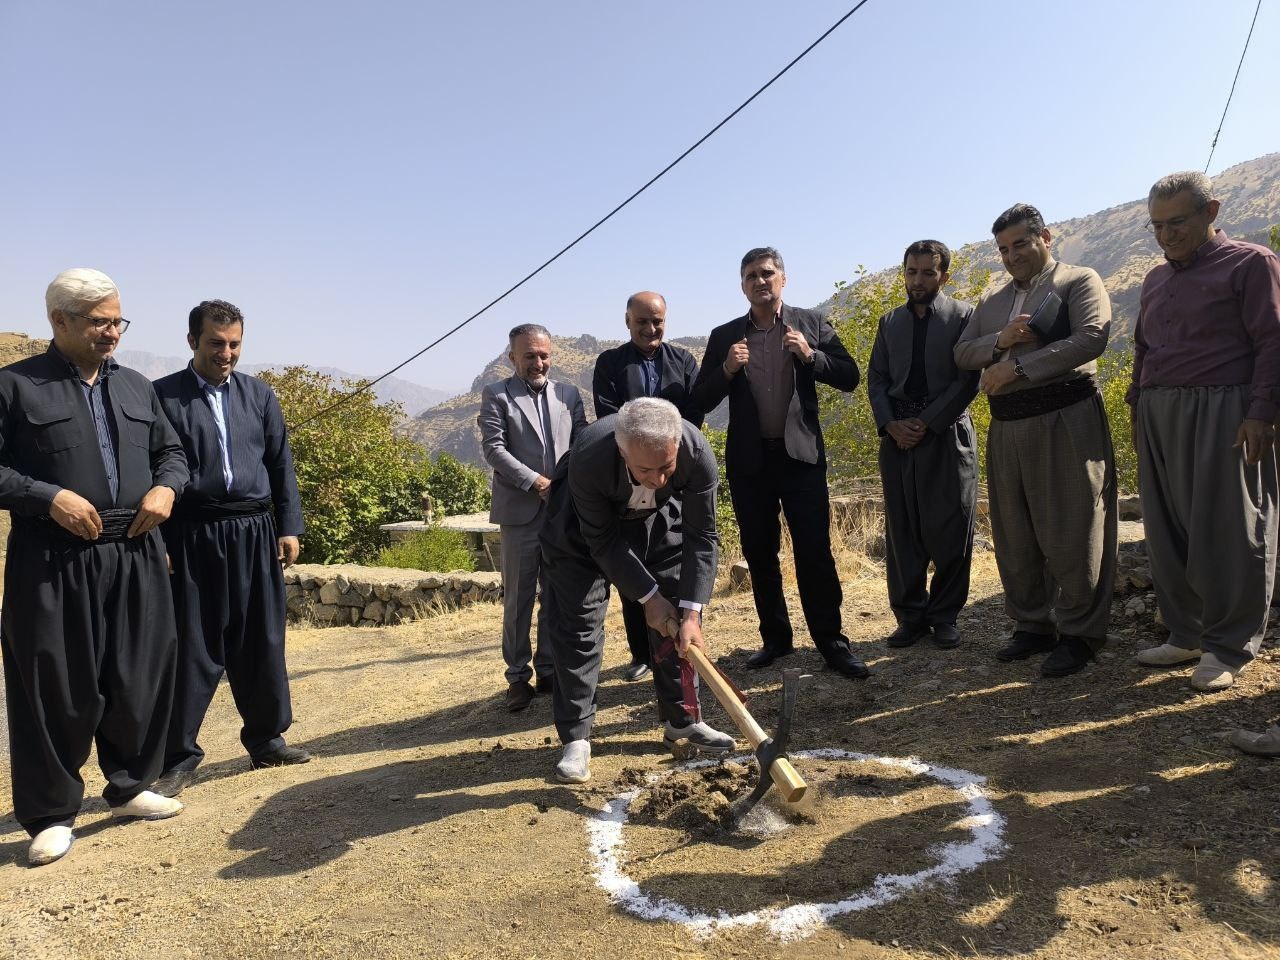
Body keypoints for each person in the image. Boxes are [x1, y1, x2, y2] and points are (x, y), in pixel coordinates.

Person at [0, 268, 189, 866]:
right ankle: (52, 813)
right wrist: (46, 496)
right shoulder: (15, 387)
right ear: (59, 322)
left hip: (133, 550)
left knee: (139, 670)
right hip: (52, 558)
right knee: (54, 682)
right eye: (99, 322)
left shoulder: (137, 385)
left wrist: (166, 489)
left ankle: (131, 783)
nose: (113, 332)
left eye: (118, 320)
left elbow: (172, 452)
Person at [150, 299, 310, 798]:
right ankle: (179, 756)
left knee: (260, 638)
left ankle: (266, 739)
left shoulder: (259, 395)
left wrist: (289, 526)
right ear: (193, 340)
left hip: (254, 531)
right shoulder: (161, 397)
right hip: (192, 533)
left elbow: (280, 464)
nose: (226, 353)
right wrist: (160, 542)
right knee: (192, 644)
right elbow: (150, 474)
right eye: (216, 343)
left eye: (235, 344)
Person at [1127, 171, 1280, 691]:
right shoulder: (1153, 280)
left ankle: (1229, 646)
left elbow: (1272, 342)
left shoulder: (1252, 263)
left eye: (1178, 222)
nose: (1167, 235)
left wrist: (1261, 412)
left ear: (1211, 211)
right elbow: (1142, 349)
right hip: (1158, 411)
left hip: (1226, 409)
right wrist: (1136, 406)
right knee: (1167, 528)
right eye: (1157, 226)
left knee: (1232, 530)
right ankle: (1186, 632)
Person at [954, 204, 1117, 677]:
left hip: (1066, 418)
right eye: (1003, 249)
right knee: (1015, 533)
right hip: (1008, 427)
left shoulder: (1079, 280)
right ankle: (1031, 626)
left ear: (1044, 236)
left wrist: (1017, 367)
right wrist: (1000, 343)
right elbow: (963, 352)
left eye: (1020, 244)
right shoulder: (992, 301)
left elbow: (1092, 338)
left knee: (1074, 525)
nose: (1011, 257)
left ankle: (1081, 634)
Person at [690, 247, 867, 678]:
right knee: (759, 553)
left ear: (783, 279)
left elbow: (849, 376)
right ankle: (776, 639)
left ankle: (832, 643)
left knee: (814, 553)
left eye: (767, 273)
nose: (759, 280)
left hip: (802, 458)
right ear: (742, 285)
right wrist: (728, 369)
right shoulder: (724, 336)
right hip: (751, 462)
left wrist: (811, 355)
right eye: (750, 275)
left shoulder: (811, 323)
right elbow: (698, 400)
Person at [539, 397, 733, 783]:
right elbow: (602, 542)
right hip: (580, 535)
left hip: (656, 521)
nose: (659, 479)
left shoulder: (696, 452)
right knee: (578, 626)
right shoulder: (591, 454)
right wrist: (648, 597)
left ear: (678, 445)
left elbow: (702, 536)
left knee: (678, 616)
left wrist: (691, 611)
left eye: (667, 467)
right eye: (646, 469)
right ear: (621, 449)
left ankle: (684, 721)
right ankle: (576, 739)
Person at [868, 240, 979, 649]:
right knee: (903, 531)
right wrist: (892, 425)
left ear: (943, 276)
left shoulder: (964, 317)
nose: (918, 280)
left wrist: (928, 422)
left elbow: (968, 379)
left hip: (947, 434)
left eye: (928, 273)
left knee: (951, 527)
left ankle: (945, 615)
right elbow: (877, 379)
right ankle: (910, 616)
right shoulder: (889, 322)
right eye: (912, 272)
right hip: (897, 438)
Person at [592, 290, 702, 682]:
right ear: (627, 322)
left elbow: (693, 414)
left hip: (670, 477)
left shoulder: (684, 361)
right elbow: (609, 417)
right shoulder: (609, 364)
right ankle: (641, 653)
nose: (650, 328)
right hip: (629, 477)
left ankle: (671, 651)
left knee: (670, 564)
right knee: (632, 565)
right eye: (642, 321)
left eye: (657, 321)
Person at [478, 324, 586, 711]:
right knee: (519, 599)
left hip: (561, 512)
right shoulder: (497, 396)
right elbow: (494, 449)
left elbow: (581, 443)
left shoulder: (569, 395)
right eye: (529, 356)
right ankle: (517, 677)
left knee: (555, 596)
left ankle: (548, 669)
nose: (538, 362)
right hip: (521, 514)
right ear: (513, 357)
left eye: (543, 355)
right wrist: (536, 481)